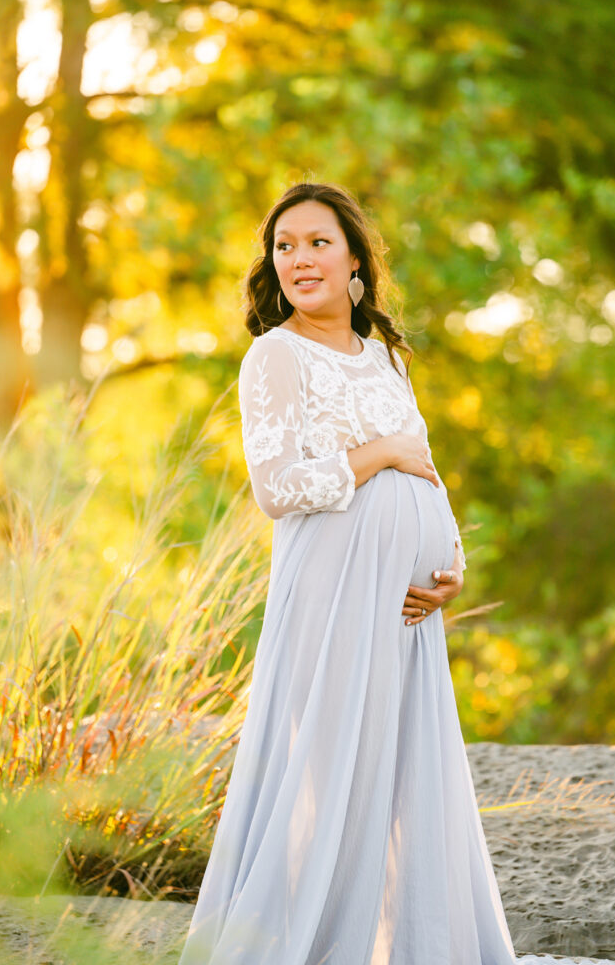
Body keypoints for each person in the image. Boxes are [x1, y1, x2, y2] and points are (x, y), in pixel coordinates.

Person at [177, 182, 530, 964]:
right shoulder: (275, 356)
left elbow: (427, 469)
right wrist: (379, 455)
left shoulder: (384, 357)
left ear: (354, 260)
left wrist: (451, 568)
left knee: (397, 770)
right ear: (272, 268)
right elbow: (276, 489)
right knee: (325, 768)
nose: (299, 258)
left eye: (317, 242)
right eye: (284, 246)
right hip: (330, 598)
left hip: (404, 610)